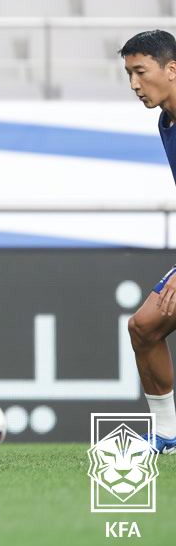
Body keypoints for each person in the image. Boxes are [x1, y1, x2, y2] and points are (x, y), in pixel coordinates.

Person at [121, 29, 176, 454]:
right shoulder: (166, 121)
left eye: (141, 72)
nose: (135, 85)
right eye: (129, 74)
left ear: (171, 69)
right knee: (144, 327)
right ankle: (167, 436)